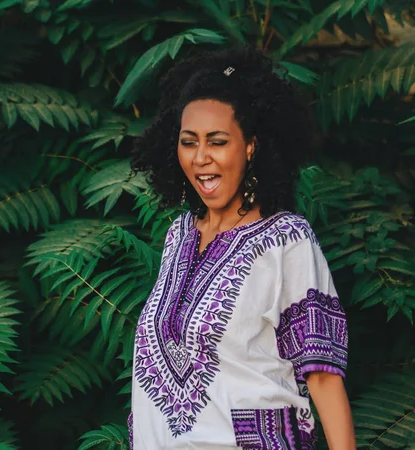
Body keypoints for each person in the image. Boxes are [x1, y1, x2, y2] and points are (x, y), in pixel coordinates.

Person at [128, 46, 355, 449]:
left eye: (217, 142)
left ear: (250, 146)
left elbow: (322, 376)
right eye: (188, 142)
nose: (200, 158)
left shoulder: (287, 241)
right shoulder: (179, 235)